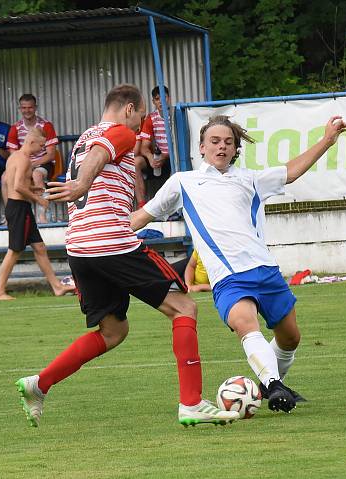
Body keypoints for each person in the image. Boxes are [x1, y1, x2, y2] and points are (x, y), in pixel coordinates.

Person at [14, 84, 238, 427]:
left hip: (79, 248)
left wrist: (83, 183)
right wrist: (82, 184)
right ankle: (191, 403)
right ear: (129, 109)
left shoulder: (81, 138)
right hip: (111, 242)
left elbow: (95, 156)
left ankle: (39, 384)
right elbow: (101, 155)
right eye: (139, 122)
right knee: (184, 306)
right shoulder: (117, 132)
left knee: (114, 331)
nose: (138, 132)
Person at [131, 115, 346, 413]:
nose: (221, 147)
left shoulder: (250, 179)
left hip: (265, 270)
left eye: (228, 142)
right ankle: (273, 385)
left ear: (235, 149)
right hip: (228, 277)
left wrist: (327, 140)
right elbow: (142, 216)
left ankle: (268, 385)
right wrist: (101, 236)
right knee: (246, 325)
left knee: (290, 337)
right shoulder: (183, 182)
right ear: (202, 147)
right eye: (215, 141)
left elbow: (292, 171)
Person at [0, 128, 74, 300]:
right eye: (41, 145)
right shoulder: (23, 159)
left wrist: (34, 188)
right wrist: (39, 200)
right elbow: (17, 186)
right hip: (19, 208)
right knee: (14, 250)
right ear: (31, 142)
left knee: (39, 248)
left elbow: (16, 183)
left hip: (18, 207)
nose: (43, 149)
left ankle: (57, 287)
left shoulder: (14, 157)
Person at [5, 93, 59, 221]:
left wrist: (31, 165)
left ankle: (42, 216)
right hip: (23, 163)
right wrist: (24, 166)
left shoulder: (46, 125)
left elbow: (50, 154)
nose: (27, 110)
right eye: (24, 107)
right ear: (20, 108)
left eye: (30, 107)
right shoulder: (15, 127)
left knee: (37, 175)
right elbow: (14, 155)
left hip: (43, 163)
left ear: (35, 107)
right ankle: (10, 216)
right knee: (4, 178)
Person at [134, 86, 172, 208]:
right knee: (135, 162)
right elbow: (143, 147)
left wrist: (165, 156)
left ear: (169, 98)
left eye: (164, 97)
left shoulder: (176, 114)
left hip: (174, 158)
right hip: (159, 160)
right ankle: (141, 206)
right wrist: (151, 158)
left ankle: (174, 208)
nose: (161, 101)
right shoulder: (151, 118)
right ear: (153, 102)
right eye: (157, 99)